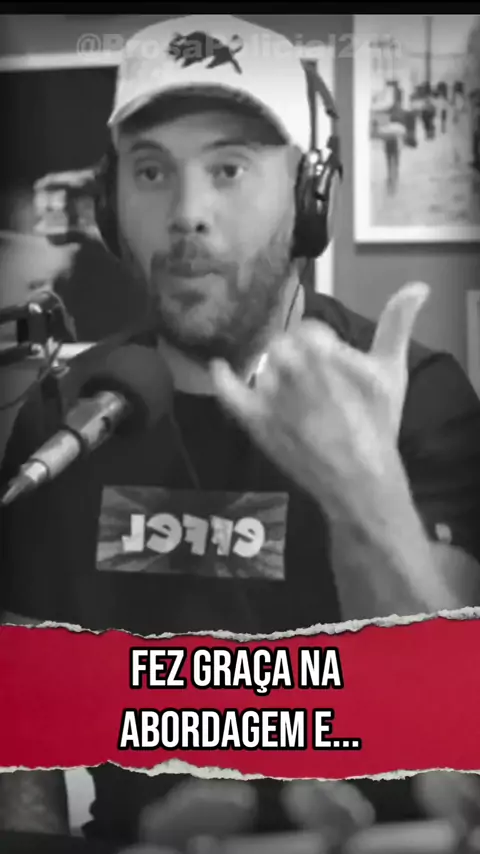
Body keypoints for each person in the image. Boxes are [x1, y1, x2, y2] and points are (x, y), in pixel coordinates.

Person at [1, 13, 480, 850]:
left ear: (309, 195)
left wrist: (364, 491)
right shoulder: (65, 413)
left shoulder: (415, 393)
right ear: (111, 206)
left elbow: (455, 726)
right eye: (152, 171)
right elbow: (23, 726)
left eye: (230, 168)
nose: (188, 213)